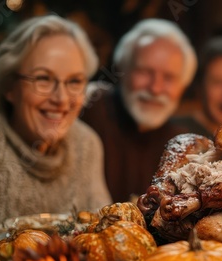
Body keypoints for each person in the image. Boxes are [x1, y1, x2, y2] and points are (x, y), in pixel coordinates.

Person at [0, 15, 112, 235]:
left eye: (75, 81)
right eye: (43, 79)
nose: (62, 99)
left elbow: (104, 234)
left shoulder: (87, 144)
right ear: (10, 86)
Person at [81, 18, 197, 203]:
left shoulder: (184, 149)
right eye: (144, 72)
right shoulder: (86, 109)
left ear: (183, 86)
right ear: (122, 69)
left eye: (169, 78)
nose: (155, 88)